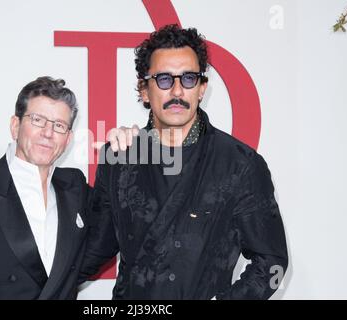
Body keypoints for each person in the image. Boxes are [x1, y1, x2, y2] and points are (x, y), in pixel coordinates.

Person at [80, 24, 288, 299]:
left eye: (188, 79)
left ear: (202, 89)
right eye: (164, 79)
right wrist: (31, 280)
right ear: (144, 89)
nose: (177, 91)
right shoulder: (119, 158)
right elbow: (94, 249)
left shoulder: (240, 164)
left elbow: (271, 261)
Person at [0, 76, 117, 299]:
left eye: (59, 125)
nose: (48, 133)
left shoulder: (74, 186)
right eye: (38, 120)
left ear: (68, 139)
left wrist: (119, 158)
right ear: (15, 125)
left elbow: (105, 237)